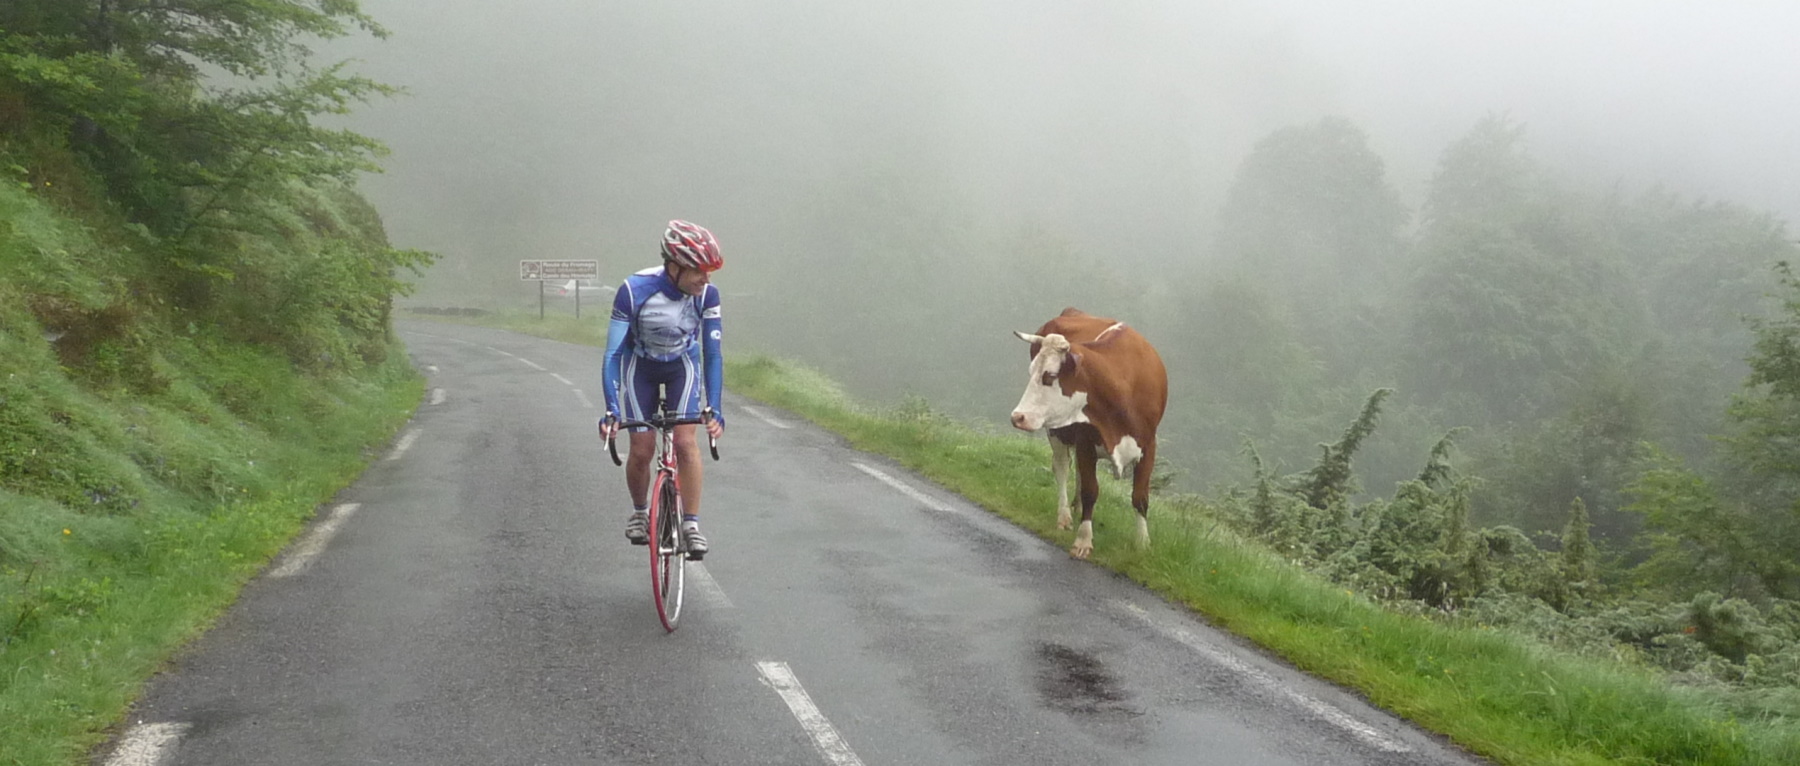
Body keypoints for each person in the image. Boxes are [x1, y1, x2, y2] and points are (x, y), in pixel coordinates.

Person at [598, 220, 726, 559]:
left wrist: (714, 407)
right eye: (699, 270)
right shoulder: (634, 290)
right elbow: (612, 354)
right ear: (675, 266)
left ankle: (692, 525)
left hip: (681, 366)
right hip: (640, 366)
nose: (706, 279)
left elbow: (711, 354)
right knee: (641, 448)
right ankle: (641, 512)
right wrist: (611, 409)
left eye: (710, 272)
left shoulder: (707, 296)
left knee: (686, 442)